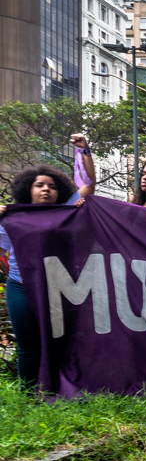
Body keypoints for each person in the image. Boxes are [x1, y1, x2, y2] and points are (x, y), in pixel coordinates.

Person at [0, 156, 92, 391]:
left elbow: (89, 185)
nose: (46, 189)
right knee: (28, 346)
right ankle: (29, 397)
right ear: (28, 189)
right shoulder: (11, 218)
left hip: (58, 287)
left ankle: (60, 390)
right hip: (20, 286)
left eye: (51, 186)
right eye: (39, 185)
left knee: (60, 342)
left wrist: (85, 151)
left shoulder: (66, 211)